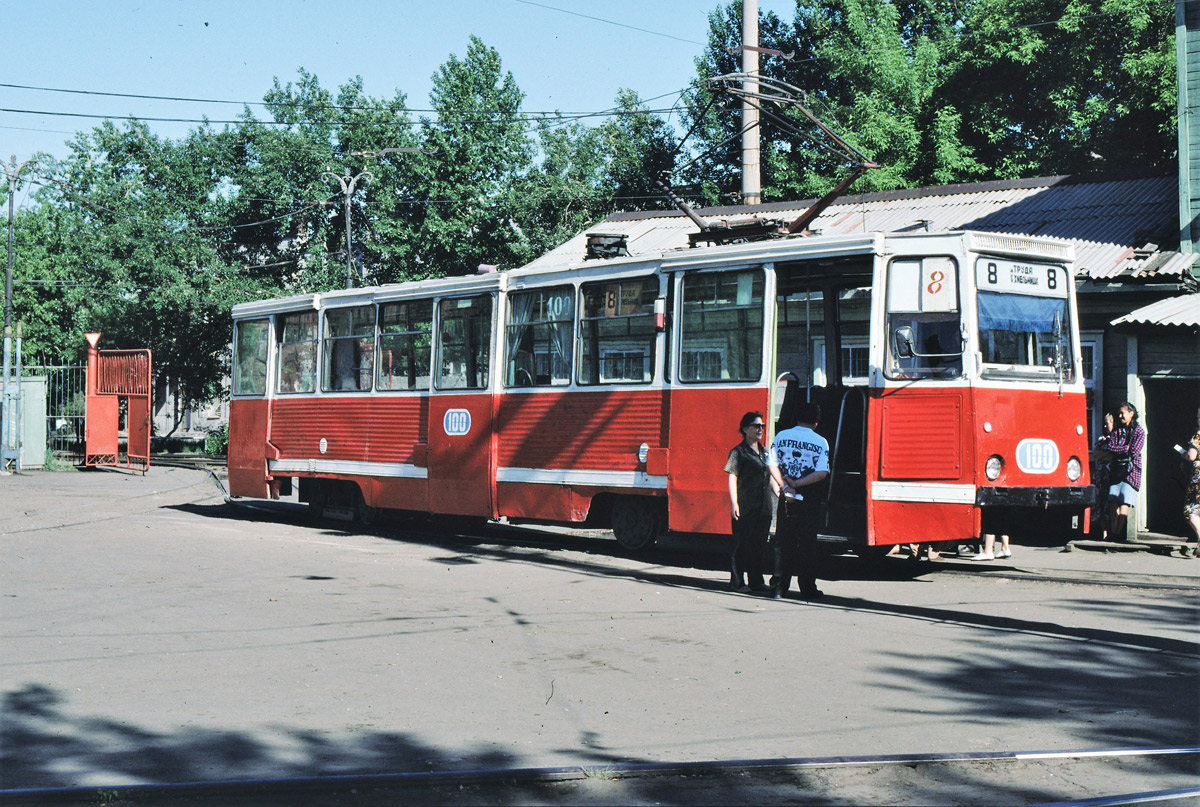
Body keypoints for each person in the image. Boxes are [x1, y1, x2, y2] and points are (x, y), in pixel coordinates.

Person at [768, 401, 829, 600]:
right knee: (807, 544)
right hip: (808, 500)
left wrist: (785, 485)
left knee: (782, 543)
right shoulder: (820, 442)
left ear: (797, 418)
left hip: (786, 498)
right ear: (816, 422)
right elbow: (821, 473)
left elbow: (772, 465)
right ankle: (807, 588)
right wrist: (799, 483)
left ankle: (778, 586)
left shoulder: (781, 436)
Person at [724, 411, 774, 593]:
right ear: (745, 429)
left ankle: (756, 581)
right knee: (741, 545)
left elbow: (771, 478)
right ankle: (736, 582)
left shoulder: (765, 452)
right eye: (756, 426)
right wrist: (734, 503)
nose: (760, 429)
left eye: (762, 426)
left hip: (763, 507)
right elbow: (732, 477)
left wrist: (781, 494)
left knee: (758, 545)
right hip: (745, 505)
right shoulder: (738, 452)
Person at [1094, 401, 1146, 542]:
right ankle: (1112, 531)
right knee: (1113, 499)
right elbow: (1111, 447)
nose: (1120, 415)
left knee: (1125, 500)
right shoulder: (1117, 430)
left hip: (1131, 470)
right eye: (1119, 413)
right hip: (1117, 470)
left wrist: (1123, 450)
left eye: (1123, 413)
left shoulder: (1139, 431)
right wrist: (1125, 449)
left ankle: (1117, 532)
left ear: (1131, 413)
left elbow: (1134, 451)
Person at [1182, 407, 1200, 551]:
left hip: (1198, 479)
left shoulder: (1198, 435)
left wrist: (1184, 455)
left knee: (1190, 510)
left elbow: (1191, 455)